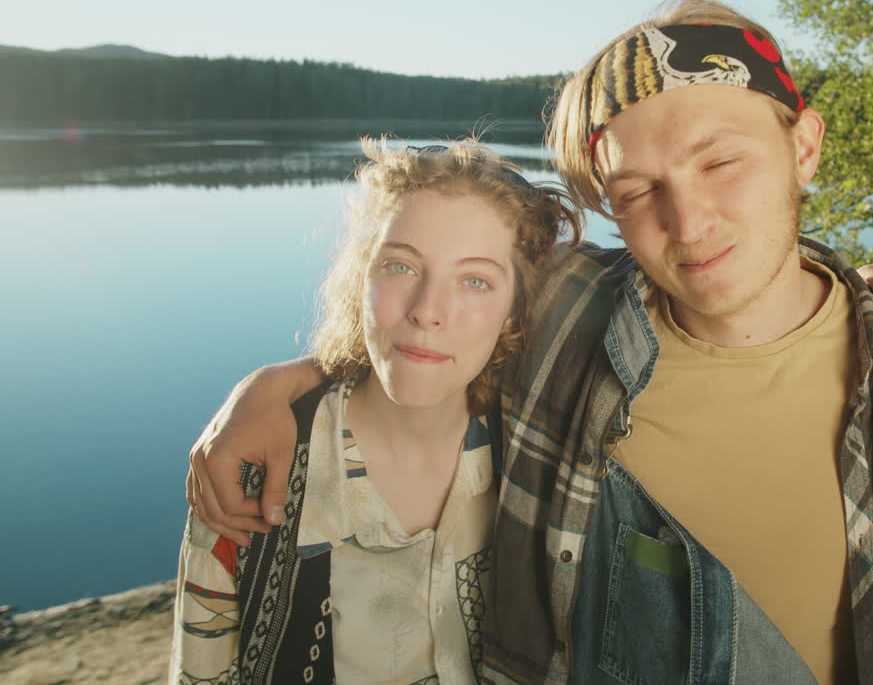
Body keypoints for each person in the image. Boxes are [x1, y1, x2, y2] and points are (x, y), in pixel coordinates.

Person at [188, 0, 873, 685]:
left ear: (804, 147)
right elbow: (429, 308)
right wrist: (280, 384)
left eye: (720, 162)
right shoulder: (568, 310)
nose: (688, 223)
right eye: (636, 189)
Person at [170, 138, 580, 685]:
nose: (427, 312)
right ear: (359, 277)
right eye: (401, 267)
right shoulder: (252, 469)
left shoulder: (539, 458)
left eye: (475, 280)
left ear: (514, 312)